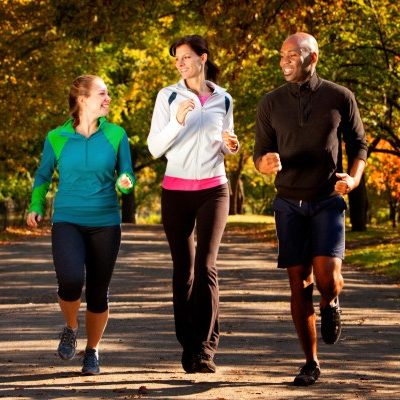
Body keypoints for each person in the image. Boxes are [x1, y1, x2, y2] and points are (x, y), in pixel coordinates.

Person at [253, 32, 367, 386]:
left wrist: (355, 179)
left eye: (292, 54)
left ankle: (331, 303)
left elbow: (359, 144)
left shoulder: (339, 97)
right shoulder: (270, 103)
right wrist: (264, 165)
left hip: (327, 201)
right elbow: (260, 154)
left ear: (312, 57)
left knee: (326, 279)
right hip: (288, 202)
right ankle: (310, 362)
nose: (284, 60)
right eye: (281, 54)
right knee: (298, 285)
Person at [27, 74, 135, 375]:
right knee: (71, 280)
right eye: (102, 93)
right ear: (82, 99)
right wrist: (36, 205)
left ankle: (92, 351)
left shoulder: (116, 134)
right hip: (67, 219)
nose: (108, 99)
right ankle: (71, 326)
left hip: (105, 221)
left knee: (99, 291)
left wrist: (126, 183)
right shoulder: (56, 137)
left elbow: (126, 174)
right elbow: (43, 176)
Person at [147, 35, 239, 373]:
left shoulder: (224, 99)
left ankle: (205, 349)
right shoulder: (168, 96)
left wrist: (233, 145)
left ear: (203, 58)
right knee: (183, 269)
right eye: (177, 59)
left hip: (214, 189)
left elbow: (225, 142)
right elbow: (155, 147)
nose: (180, 63)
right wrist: (177, 121)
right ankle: (188, 344)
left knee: (206, 266)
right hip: (176, 191)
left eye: (186, 57)